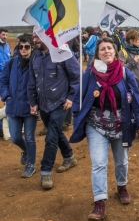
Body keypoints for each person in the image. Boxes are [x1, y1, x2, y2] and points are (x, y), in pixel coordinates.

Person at [70, 37, 139, 221]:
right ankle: (99, 202)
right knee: (98, 163)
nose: (106, 51)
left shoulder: (125, 73)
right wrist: (75, 113)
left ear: (115, 52)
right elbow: (78, 96)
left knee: (121, 161)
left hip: (122, 124)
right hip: (96, 125)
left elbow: (136, 98)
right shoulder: (90, 74)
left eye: (109, 48)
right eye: (102, 49)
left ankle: (122, 187)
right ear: (97, 53)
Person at [27, 32, 81, 189]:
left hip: (60, 103)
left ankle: (45, 172)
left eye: (37, 37)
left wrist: (71, 97)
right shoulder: (35, 56)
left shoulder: (62, 53)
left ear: (47, 37)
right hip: (43, 104)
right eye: (33, 37)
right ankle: (69, 157)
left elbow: (77, 76)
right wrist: (33, 102)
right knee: (56, 132)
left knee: (51, 137)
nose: (34, 40)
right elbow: (32, 80)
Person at [0, 35, 38, 177]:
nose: (23, 49)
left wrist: (37, 103)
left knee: (29, 137)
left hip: (30, 107)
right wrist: (6, 95)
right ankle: (26, 151)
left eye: (27, 46)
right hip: (13, 106)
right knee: (15, 137)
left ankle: (30, 164)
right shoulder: (10, 63)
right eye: (21, 46)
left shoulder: (36, 64)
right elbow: (2, 81)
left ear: (32, 48)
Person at [120, 29, 139, 141]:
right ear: (131, 41)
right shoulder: (123, 53)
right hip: (131, 86)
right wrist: (134, 62)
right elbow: (122, 69)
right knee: (131, 108)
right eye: (137, 40)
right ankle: (131, 129)